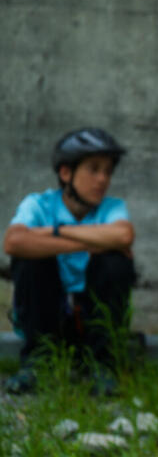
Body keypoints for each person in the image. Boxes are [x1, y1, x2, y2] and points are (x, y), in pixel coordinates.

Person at [2, 127, 136, 396]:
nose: (102, 179)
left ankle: (102, 365)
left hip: (90, 318)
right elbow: (14, 242)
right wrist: (93, 240)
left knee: (114, 262)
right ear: (66, 173)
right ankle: (38, 361)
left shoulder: (112, 207)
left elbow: (123, 235)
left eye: (108, 171)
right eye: (94, 169)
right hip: (48, 314)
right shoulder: (39, 204)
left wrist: (52, 232)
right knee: (30, 260)